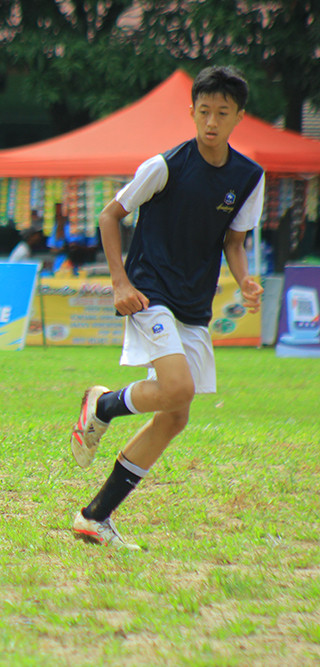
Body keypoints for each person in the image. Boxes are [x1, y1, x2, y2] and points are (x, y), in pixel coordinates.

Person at [69, 65, 264, 550]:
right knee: (177, 387)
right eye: (204, 111)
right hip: (149, 290)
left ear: (239, 116)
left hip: (194, 302)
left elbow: (235, 241)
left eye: (223, 113)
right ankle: (104, 405)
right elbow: (110, 214)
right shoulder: (165, 165)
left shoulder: (247, 176)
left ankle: (95, 517)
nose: (212, 121)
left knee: (176, 414)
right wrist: (119, 282)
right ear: (192, 112)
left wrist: (245, 281)